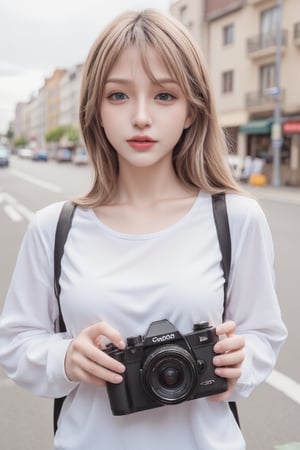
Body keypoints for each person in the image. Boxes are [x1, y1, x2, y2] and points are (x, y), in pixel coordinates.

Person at [0, 9, 287, 450]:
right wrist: (66, 358)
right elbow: (16, 344)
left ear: (192, 111)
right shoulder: (54, 227)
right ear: (94, 108)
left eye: (164, 96)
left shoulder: (235, 218)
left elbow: (264, 335)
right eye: (117, 95)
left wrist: (240, 363)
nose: (140, 117)